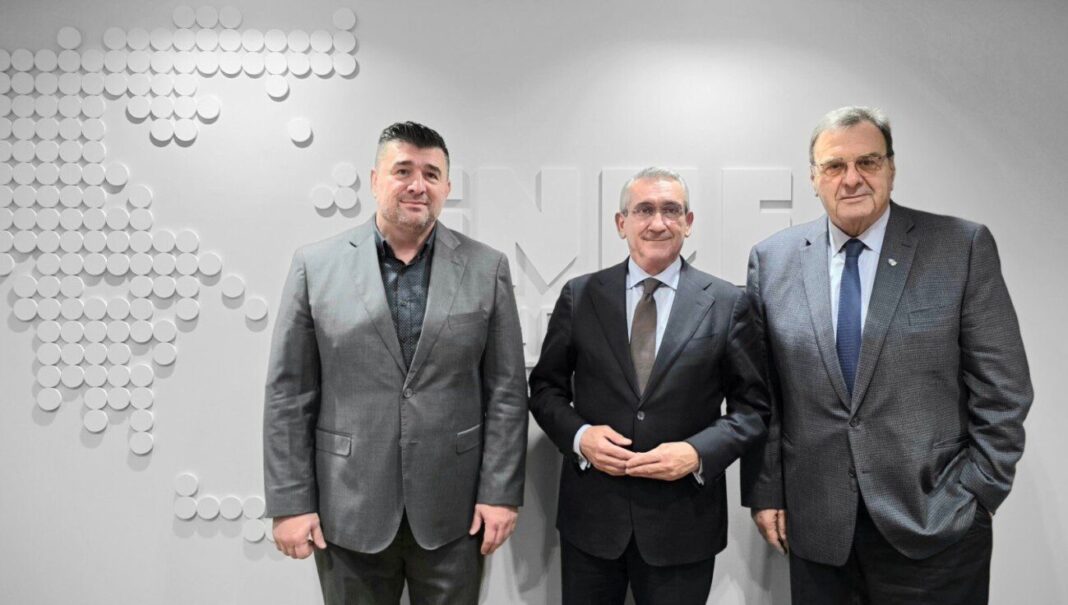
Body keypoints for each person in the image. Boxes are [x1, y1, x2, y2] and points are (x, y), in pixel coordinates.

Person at [742, 106, 1033, 604]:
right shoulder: (773, 260)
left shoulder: (960, 247)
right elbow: (764, 393)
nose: (851, 178)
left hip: (935, 524)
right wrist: (767, 491)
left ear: (891, 168)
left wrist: (979, 491)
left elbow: (1004, 388)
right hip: (819, 528)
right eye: (835, 166)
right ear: (813, 178)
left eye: (868, 162)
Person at [262, 121, 529, 604]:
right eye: (402, 170)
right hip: (348, 507)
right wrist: (290, 502)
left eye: (431, 174)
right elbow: (289, 394)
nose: (417, 185)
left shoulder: (486, 267)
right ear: (374, 180)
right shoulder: (315, 266)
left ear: (447, 186)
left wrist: (500, 492)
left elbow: (507, 392)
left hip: (455, 511)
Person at [529, 167, 770, 604]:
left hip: (683, 524)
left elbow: (753, 409)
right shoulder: (580, 296)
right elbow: (545, 389)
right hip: (592, 522)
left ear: (688, 222)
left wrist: (698, 453)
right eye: (644, 210)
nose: (658, 222)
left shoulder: (728, 303)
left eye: (671, 210)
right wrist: (581, 437)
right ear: (621, 223)